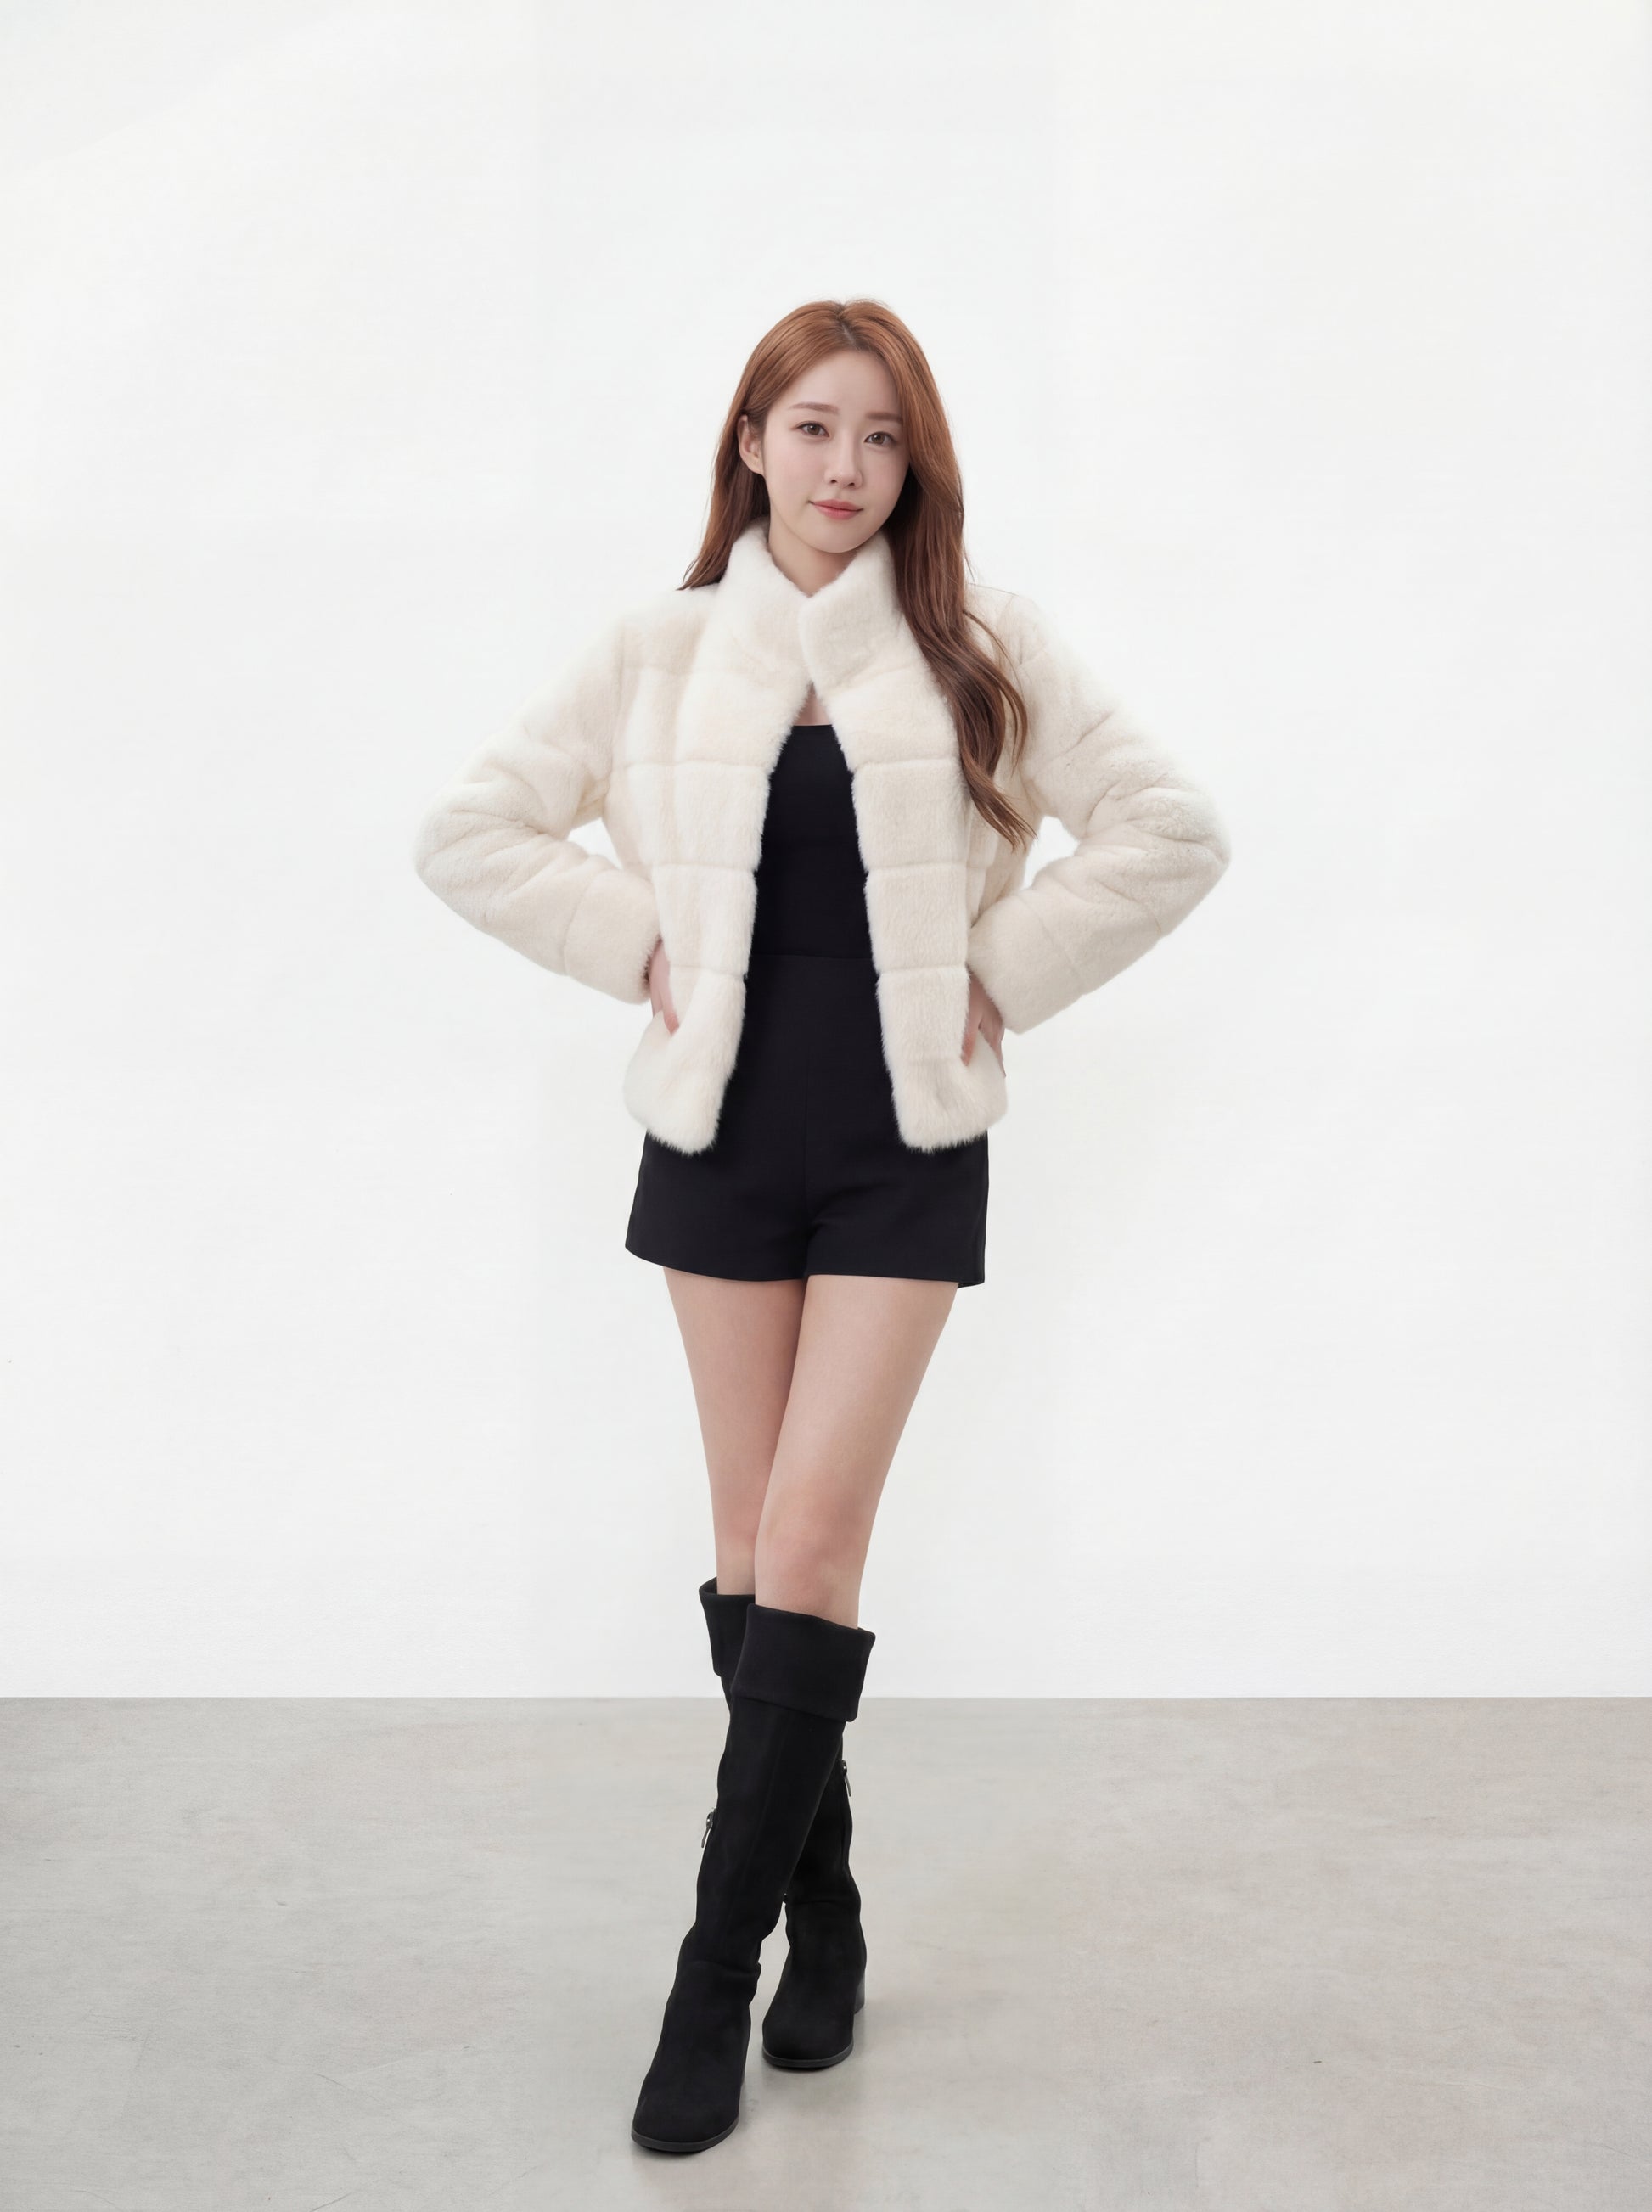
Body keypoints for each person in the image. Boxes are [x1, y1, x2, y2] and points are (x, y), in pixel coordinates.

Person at [410, 297, 1232, 2156]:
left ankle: (711, 1976)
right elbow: (470, 832)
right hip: (720, 1135)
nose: (844, 467)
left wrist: (1001, 970)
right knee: (745, 1549)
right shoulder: (657, 648)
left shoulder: (974, 642)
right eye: (810, 428)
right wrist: (638, 941)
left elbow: (1167, 827)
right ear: (750, 443)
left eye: (879, 436)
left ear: (912, 461)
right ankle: (830, 1919)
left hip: (896, 1144)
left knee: (811, 1534)